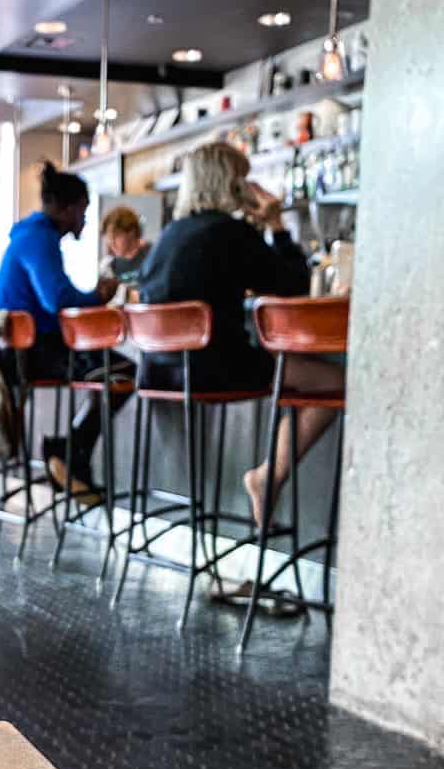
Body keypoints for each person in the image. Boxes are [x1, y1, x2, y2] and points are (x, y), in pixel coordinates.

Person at [138, 141, 339, 526]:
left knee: (287, 370)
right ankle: (267, 476)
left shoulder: (169, 235)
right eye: (244, 179)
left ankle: (264, 478)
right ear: (231, 183)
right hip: (215, 371)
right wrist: (276, 224)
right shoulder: (228, 232)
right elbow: (293, 285)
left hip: (159, 373)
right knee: (333, 380)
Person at [0, 162, 130, 499]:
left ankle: (69, 455)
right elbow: (57, 299)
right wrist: (98, 296)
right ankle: (68, 453)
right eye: (83, 210)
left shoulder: (28, 235)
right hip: (32, 354)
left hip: (18, 351)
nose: (85, 219)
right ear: (66, 208)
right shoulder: (39, 239)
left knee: (110, 372)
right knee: (122, 372)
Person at [99, 205, 151, 292]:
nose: (112, 243)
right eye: (109, 238)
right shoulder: (111, 266)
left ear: (131, 232)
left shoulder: (153, 255)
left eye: (115, 236)